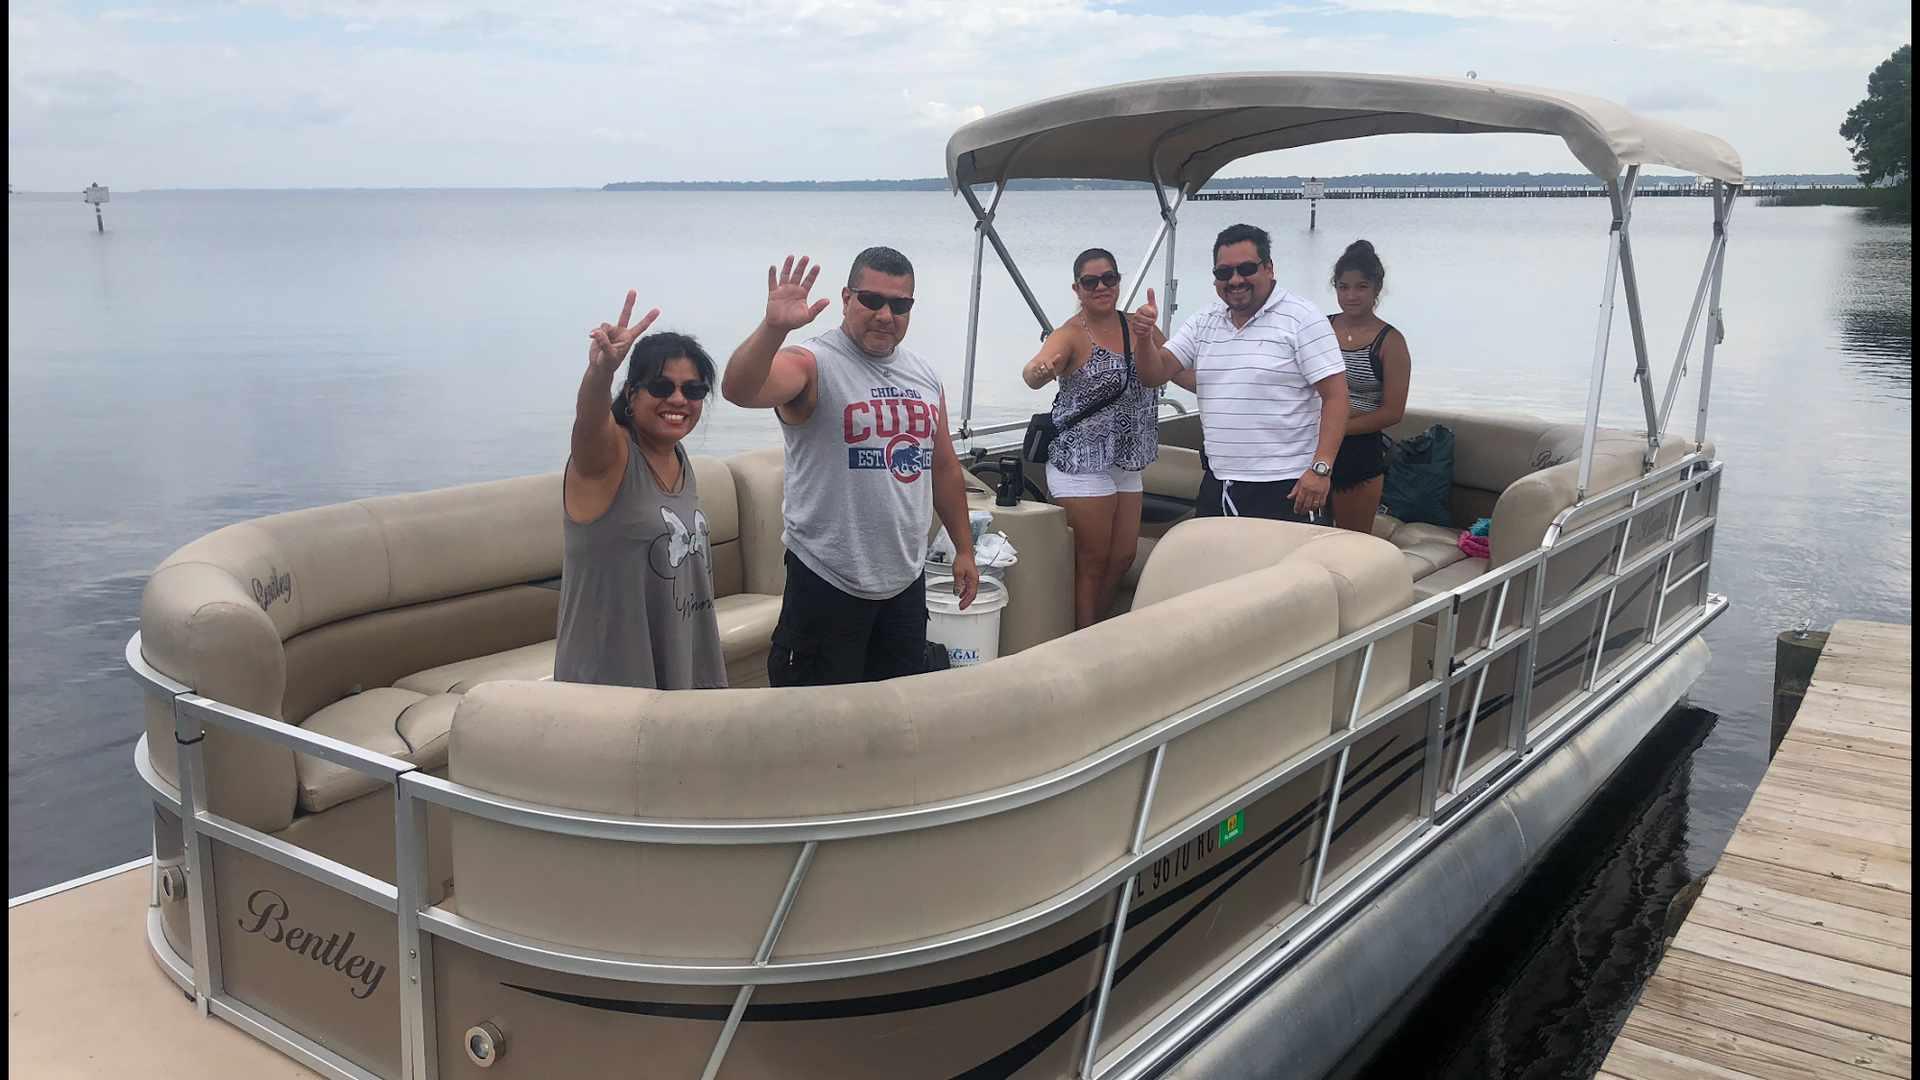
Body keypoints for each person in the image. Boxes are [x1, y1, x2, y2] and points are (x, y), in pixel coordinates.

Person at [721, 248, 979, 686]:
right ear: (846, 298)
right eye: (872, 300)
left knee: (898, 711)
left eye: (900, 305)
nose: (885, 315)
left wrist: (965, 549)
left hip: (904, 582)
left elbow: (944, 468)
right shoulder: (812, 362)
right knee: (817, 722)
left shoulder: (925, 375)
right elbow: (739, 389)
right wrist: (772, 329)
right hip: (827, 579)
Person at [554, 292, 727, 689]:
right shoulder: (606, 457)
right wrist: (601, 372)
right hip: (611, 683)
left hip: (682, 669)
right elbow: (589, 421)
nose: (679, 399)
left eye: (694, 390)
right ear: (631, 393)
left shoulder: (678, 457)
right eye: (662, 386)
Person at [1133, 223, 1348, 522]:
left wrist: (1320, 469)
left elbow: (1336, 397)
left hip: (1289, 484)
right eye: (1224, 273)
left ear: (1269, 268)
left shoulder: (1302, 318)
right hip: (1219, 482)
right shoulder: (1203, 321)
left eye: (1246, 269)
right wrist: (1144, 338)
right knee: (1220, 569)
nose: (1235, 280)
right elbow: (1154, 375)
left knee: (1289, 570)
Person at [1022, 248, 1161, 628]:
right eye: (1090, 281)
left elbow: (1172, 370)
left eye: (1109, 278)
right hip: (1080, 461)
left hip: (1127, 459)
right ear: (1077, 288)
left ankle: (1098, 632)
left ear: (1119, 280)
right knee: (1092, 560)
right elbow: (1034, 371)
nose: (1101, 287)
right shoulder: (1070, 333)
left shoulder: (1140, 326)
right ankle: (1082, 641)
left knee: (1122, 558)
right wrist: (1040, 370)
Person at [1325, 240, 1412, 533]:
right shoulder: (1319, 328)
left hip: (1359, 453)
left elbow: (1392, 412)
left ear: (1377, 288)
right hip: (1310, 446)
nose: (1351, 296)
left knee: (1351, 543)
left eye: (1361, 287)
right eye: (1343, 287)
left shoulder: (1390, 342)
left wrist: (1337, 428)